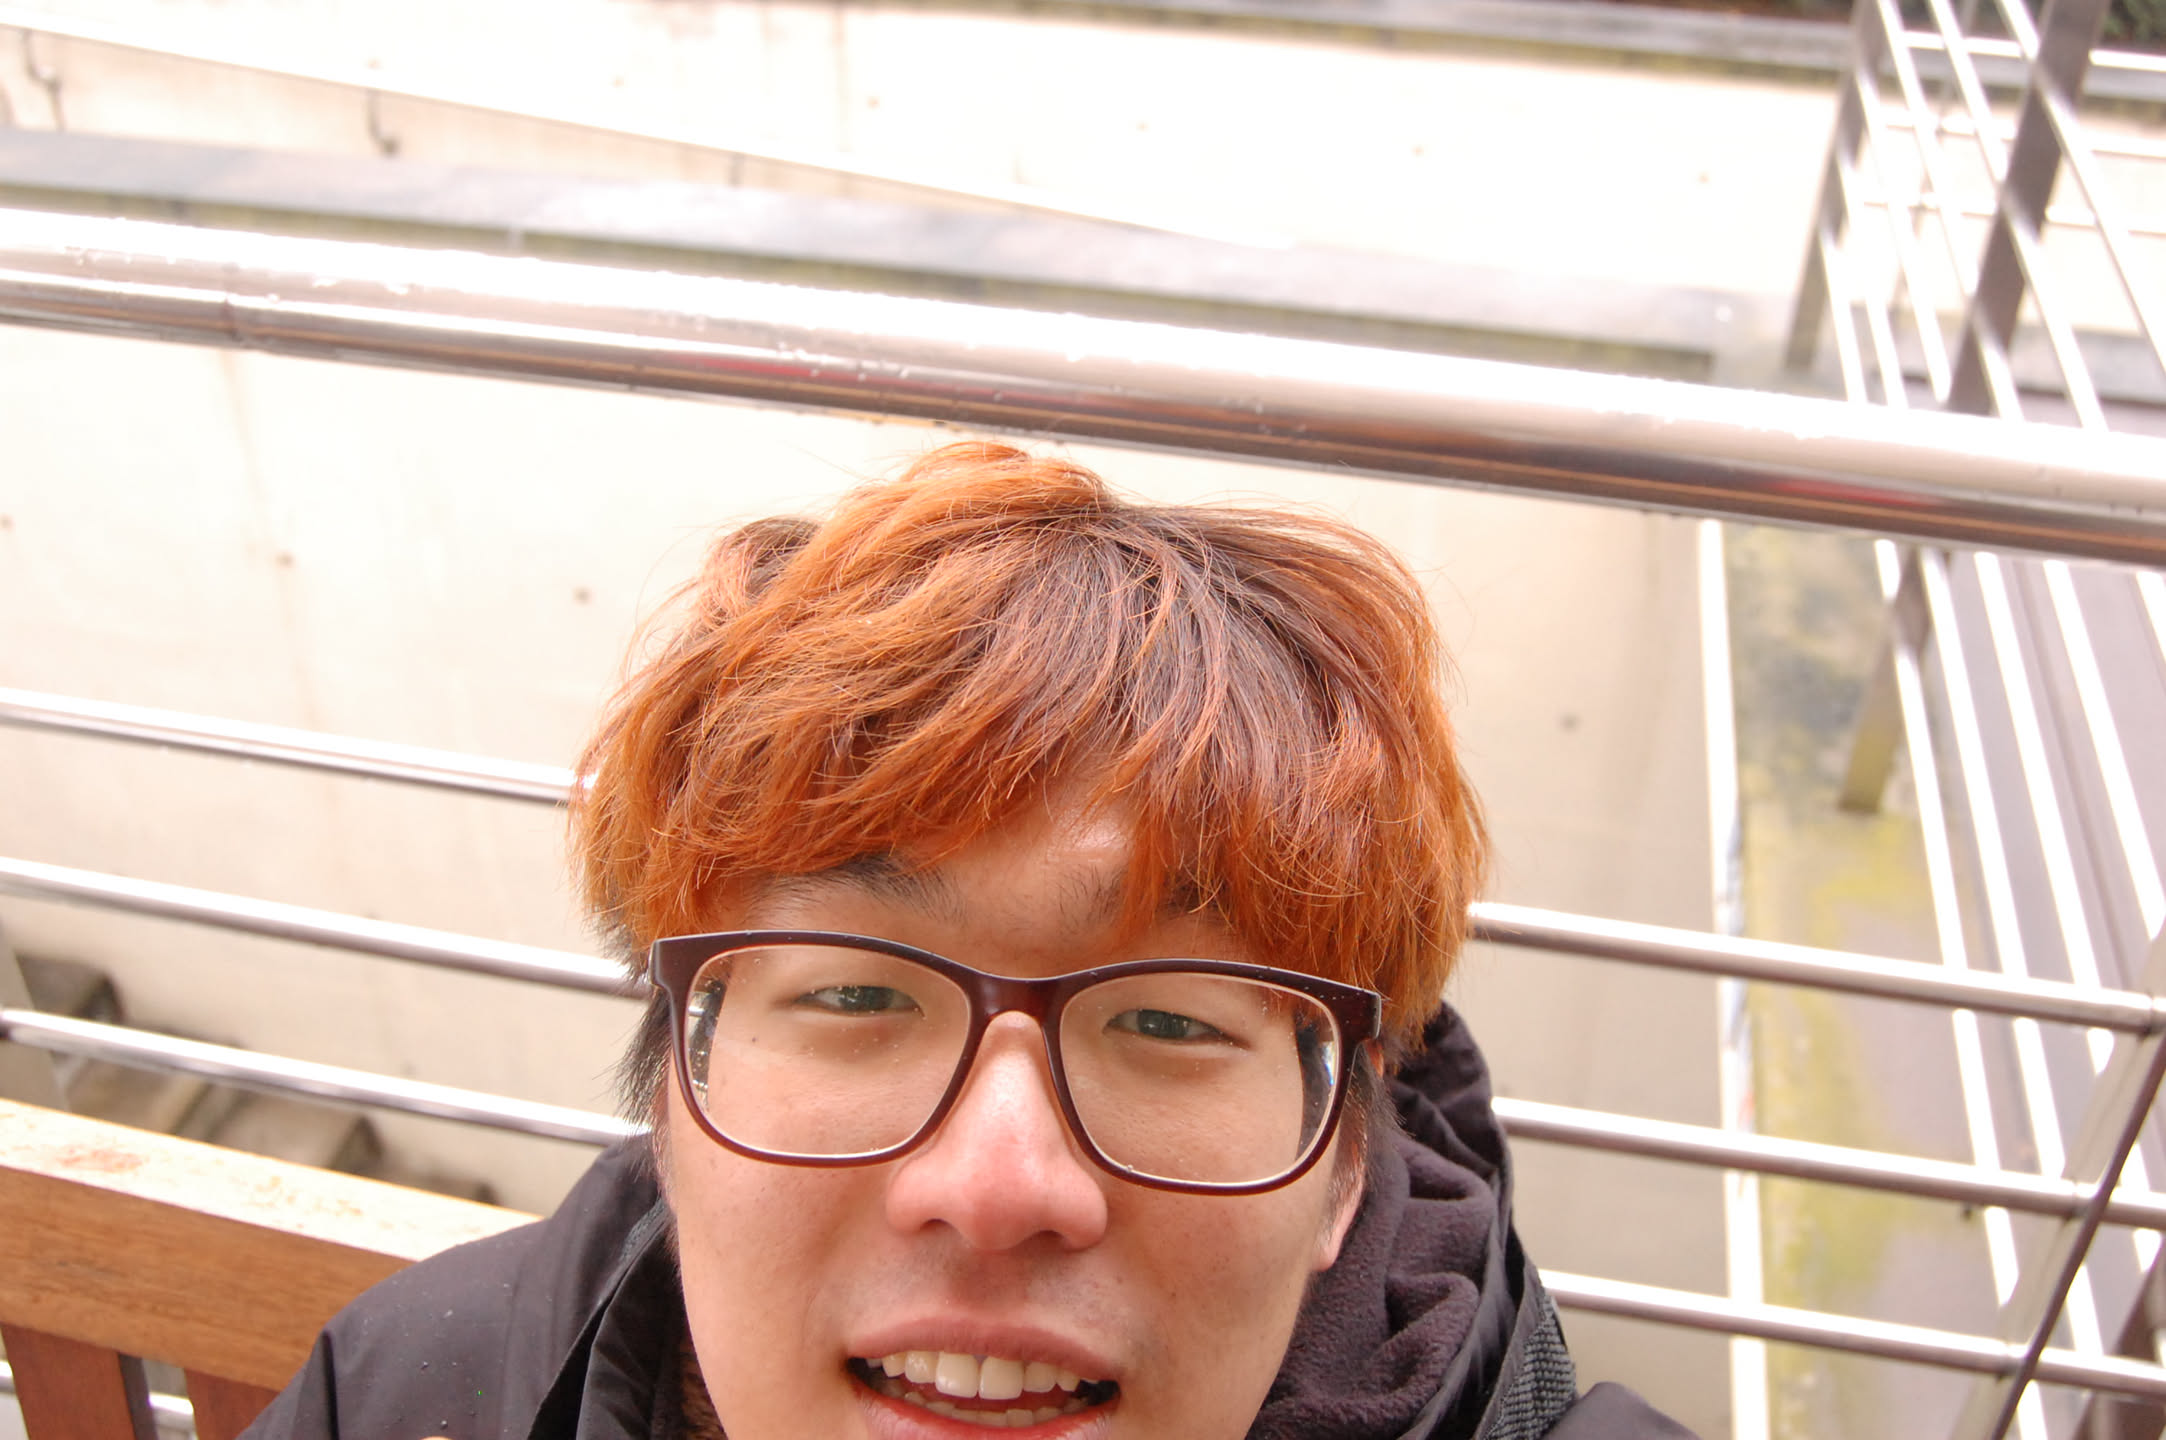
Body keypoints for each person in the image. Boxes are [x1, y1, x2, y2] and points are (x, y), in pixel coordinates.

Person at [243, 443, 1694, 1439]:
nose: (999, 1185)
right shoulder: (408, 1385)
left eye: (1173, 1020)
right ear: (673, 1098)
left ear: (1344, 1167)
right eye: (855, 994)